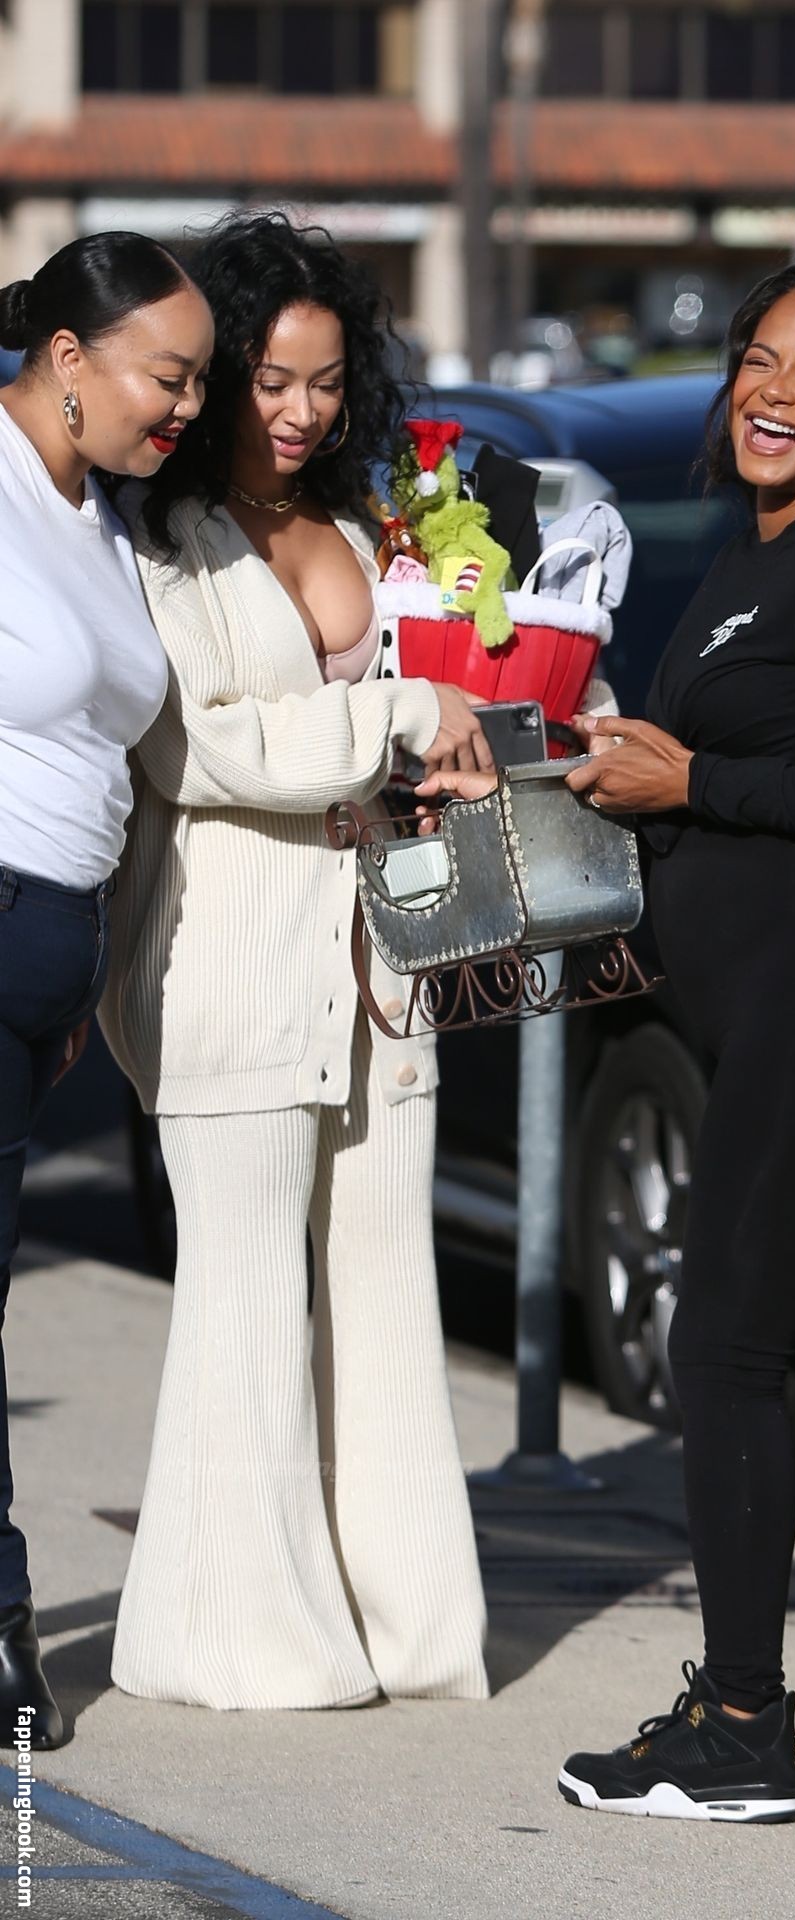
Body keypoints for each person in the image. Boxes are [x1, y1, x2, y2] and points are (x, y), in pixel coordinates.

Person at [427, 259, 795, 1821]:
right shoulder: (762, 559)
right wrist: (610, 765)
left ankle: (741, 1725)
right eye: (759, 358)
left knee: (726, 1349)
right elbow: (729, 777)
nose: (773, 392)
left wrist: (693, 784)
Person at [97, 214, 491, 1710]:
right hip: (230, 961)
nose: (301, 412)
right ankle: (229, 1637)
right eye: (270, 379)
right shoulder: (160, 535)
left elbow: (423, 698)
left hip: (382, 963)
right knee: (247, 1306)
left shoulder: (373, 523)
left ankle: (405, 1627)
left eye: (327, 382)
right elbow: (200, 748)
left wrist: (461, 730)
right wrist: (401, 718)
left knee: (388, 1300)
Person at [0, 233, 212, 1748]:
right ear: (68, 359)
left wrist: (78, 970)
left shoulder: (103, 519)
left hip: (51, 950)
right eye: (168, 376)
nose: (186, 407)